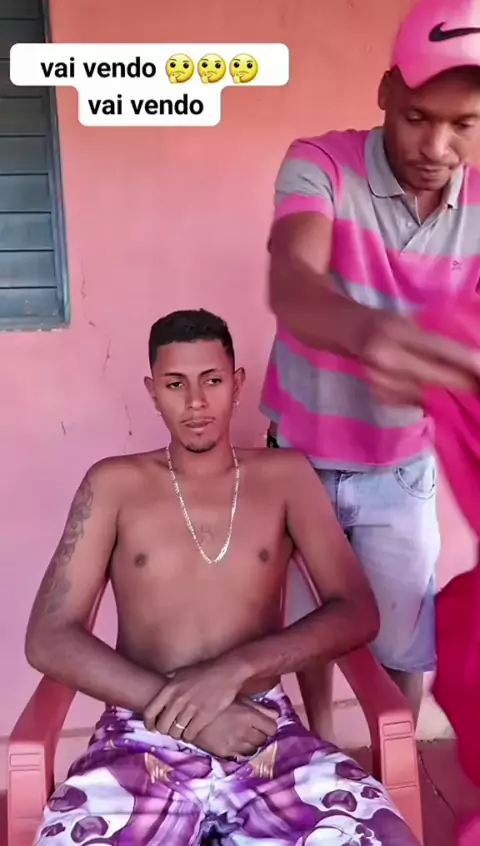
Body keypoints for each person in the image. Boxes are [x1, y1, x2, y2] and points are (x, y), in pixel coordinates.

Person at [26, 309, 419, 846]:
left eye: (211, 380)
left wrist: (234, 671)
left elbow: (356, 610)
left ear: (236, 385)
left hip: (264, 731)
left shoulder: (286, 477)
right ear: (152, 391)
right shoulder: (113, 485)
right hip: (138, 735)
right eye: (175, 384)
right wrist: (189, 712)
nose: (195, 402)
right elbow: (49, 636)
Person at [262, 0, 480, 735]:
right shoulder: (320, 163)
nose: (437, 147)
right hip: (300, 459)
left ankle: (397, 760)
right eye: (417, 117)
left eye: (464, 124)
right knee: (310, 631)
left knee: (404, 640)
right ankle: (320, 739)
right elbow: (292, 278)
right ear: (386, 90)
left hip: (402, 466)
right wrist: (371, 332)